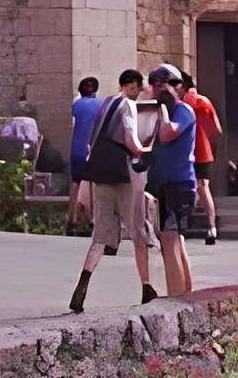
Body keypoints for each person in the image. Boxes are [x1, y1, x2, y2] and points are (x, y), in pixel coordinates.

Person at [68, 69, 157, 313]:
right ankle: (146, 287)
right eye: (137, 88)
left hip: (101, 173)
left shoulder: (105, 104)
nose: (138, 93)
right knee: (137, 228)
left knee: (100, 234)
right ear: (130, 85)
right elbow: (130, 139)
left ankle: (82, 285)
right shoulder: (127, 105)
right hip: (121, 174)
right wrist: (144, 150)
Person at [145, 63, 197, 295]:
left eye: (163, 85)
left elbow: (167, 135)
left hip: (179, 184)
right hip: (163, 183)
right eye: (155, 85)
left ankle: (175, 299)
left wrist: (164, 108)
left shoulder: (183, 110)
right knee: (175, 240)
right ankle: (185, 292)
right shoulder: (156, 112)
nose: (158, 90)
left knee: (169, 240)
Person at [177, 69, 222, 246]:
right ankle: (211, 226)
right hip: (203, 152)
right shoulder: (205, 102)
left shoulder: (180, 105)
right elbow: (217, 130)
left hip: (184, 152)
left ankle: (183, 225)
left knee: (184, 187)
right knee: (204, 189)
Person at [67, 74, 104, 233]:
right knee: (93, 184)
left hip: (76, 148)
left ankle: (71, 221)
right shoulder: (101, 104)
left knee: (75, 183)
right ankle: (92, 220)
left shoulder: (76, 105)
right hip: (93, 148)